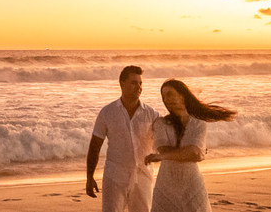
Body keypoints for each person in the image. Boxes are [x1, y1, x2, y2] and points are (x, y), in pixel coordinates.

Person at [143, 79, 236, 212]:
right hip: (166, 183)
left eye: (169, 94)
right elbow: (167, 149)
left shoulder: (198, 123)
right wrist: (186, 152)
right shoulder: (161, 123)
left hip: (191, 182)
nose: (166, 99)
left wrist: (163, 156)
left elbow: (194, 153)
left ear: (182, 95)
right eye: (163, 96)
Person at [86, 65, 160, 212]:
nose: (138, 87)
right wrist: (90, 177)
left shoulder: (151, 114)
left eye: (140, 83)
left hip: (143, 176)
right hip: (115, 176)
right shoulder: (107, 112)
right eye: (133, 83)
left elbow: (164, 142)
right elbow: (95, 146)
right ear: (122, 84)